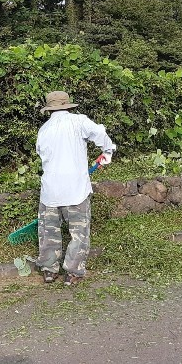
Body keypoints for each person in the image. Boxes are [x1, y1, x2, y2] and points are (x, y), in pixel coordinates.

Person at [35, 91, 116, 286]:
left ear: (50, 109)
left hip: (50, 191)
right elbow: (100, 134)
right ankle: (72, 273)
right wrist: (108, 150)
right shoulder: (79, 121)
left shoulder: (44, 130)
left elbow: (41, 154)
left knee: (49, 234)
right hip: (76, 190)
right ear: (68, 106)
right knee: (79, 234)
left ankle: (49, 270)